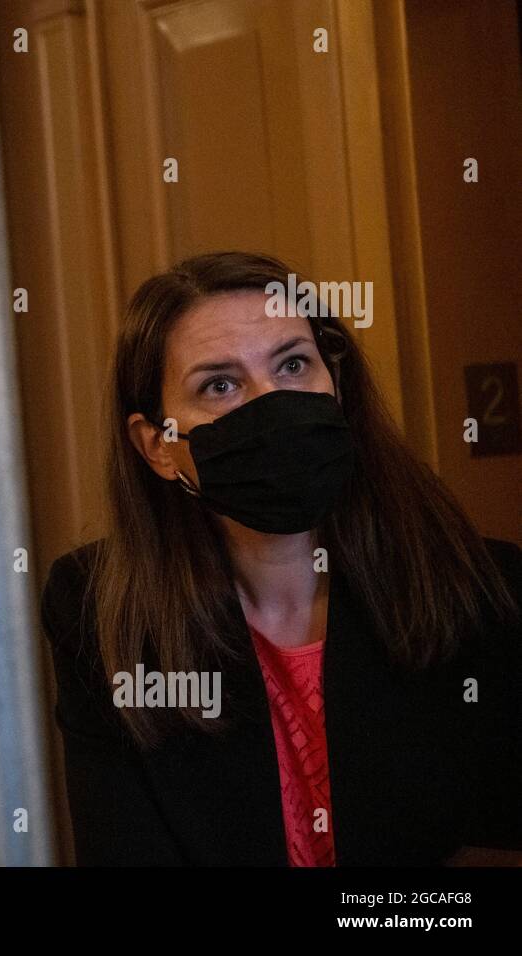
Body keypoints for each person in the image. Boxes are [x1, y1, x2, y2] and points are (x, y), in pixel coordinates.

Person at [41, 251, 521, 866]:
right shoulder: (96, 611)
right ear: (157, 447)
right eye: (220, 384)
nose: (272, 404)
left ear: (336, 385)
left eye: (293, 364)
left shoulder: (482, 589)